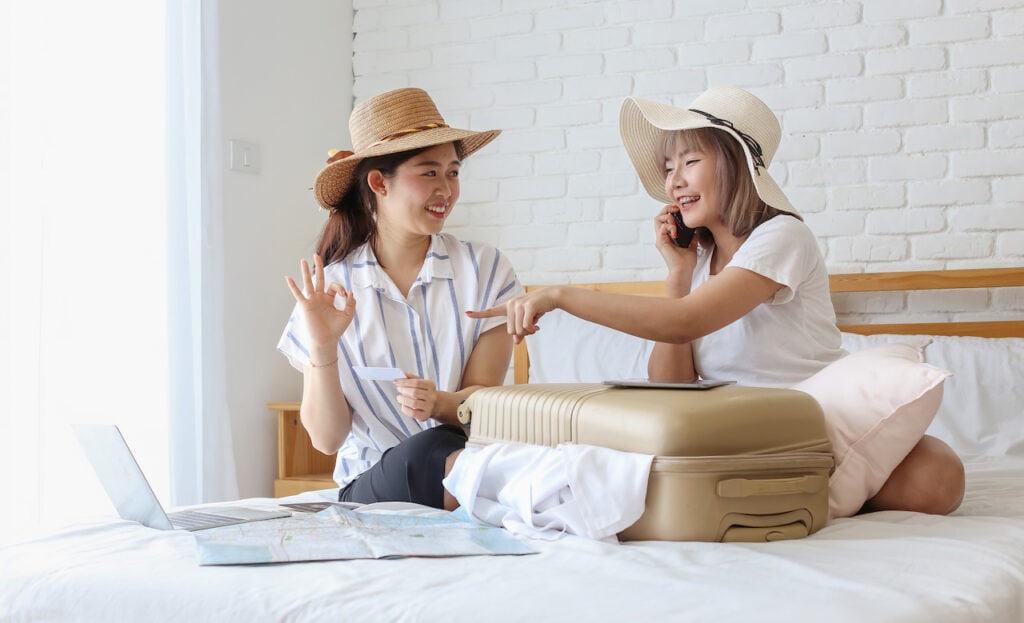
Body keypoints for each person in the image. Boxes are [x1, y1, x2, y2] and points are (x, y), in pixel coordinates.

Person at [468, 86, 965, 516]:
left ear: (733, 164)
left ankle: (813, 483)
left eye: (689, 162)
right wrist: (678, 275)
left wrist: (558, 296)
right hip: (736, 429)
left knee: (938, 478)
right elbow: (671, 385)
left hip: (809, 418)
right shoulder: (699, 263)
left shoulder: (782, 236)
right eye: (668, 167)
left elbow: (685, 323)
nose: (673, 181)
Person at [278, 87, 522, 511]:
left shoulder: (486, 270)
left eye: (454, 172)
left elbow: (484, 404)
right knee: (427, 451)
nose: (446, 189)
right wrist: (322, 346)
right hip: (372, 486)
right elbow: (327, 439)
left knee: (445, 444)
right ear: (378, 183)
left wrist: (441, 404)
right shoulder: (331, 290)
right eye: (429, 173)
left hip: (464, 463)